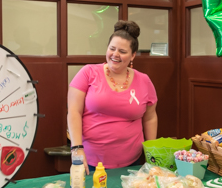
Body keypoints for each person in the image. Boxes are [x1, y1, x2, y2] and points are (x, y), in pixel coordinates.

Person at [67, 20, 158, 175]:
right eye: (112, 49)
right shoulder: (88, 73)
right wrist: (76, 148)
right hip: (90, 161)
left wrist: (151, 153)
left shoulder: (144, 80)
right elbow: (74, 111)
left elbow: (150, 117)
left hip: (131, 161)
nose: (115, 54)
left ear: (132, 55)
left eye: (122, 51)